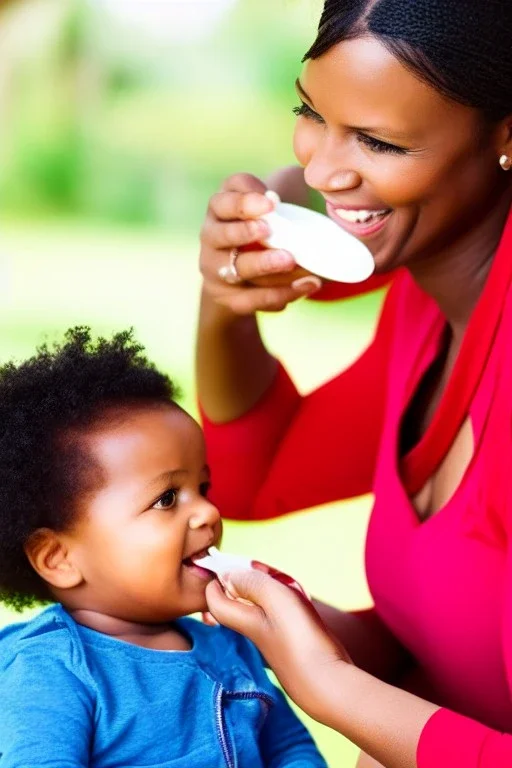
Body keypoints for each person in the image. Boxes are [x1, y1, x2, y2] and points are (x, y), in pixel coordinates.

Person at [196, 0, 512, 766]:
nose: (320, 168)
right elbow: (253, 478)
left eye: (377, 140)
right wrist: (226, 303)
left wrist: (334, 687)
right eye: (313, 113)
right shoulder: (423, 307)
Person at [0, 328, 326, 768]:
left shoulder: (231, 643)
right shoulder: (50, 667)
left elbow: (289, 747)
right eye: (167, 499)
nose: (208, 512)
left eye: (204, 487)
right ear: (59, 559)